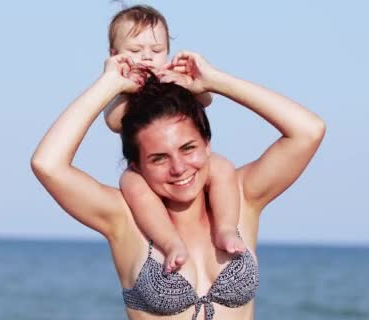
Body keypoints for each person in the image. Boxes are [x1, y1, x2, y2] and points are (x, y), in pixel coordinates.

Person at [31, 44, 325, 320]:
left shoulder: (241, 195)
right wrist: (109, 85)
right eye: (159, 158)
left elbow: (308, 130)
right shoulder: (123, 217)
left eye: (188, 148)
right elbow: (48, 164)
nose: (179, 168)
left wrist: (216, 81)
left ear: (207, 144)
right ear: (137, 165)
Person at [104, 5, 244, 273]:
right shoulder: (122, 92)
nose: (147, 57)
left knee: (223, 166)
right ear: (114, 55)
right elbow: (112, 121)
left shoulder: (173, 78)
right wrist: (120, 86)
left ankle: (226, 229)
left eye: (156, 51)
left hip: (189, 164)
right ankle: (170, 243)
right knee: (129, 182)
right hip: (145, 170)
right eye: (135, 51)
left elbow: (205, 99)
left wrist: (188, 82)